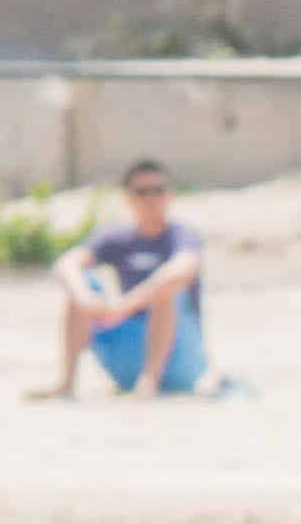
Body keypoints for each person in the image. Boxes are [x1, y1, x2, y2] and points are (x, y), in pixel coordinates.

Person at [40, 161, 213, 401]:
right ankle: (66, 383)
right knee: (81, 285)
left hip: (178, 357)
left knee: (167, 287)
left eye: (158, 190)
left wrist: (127, 304)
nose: (151, 198)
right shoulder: (117, 237)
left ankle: (149, 381)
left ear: (170, 194)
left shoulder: (181, 236)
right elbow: (67, 264)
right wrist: (85, 297)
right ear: (128, 198)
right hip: (127, 353)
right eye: (142, 192)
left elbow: (183, 269)